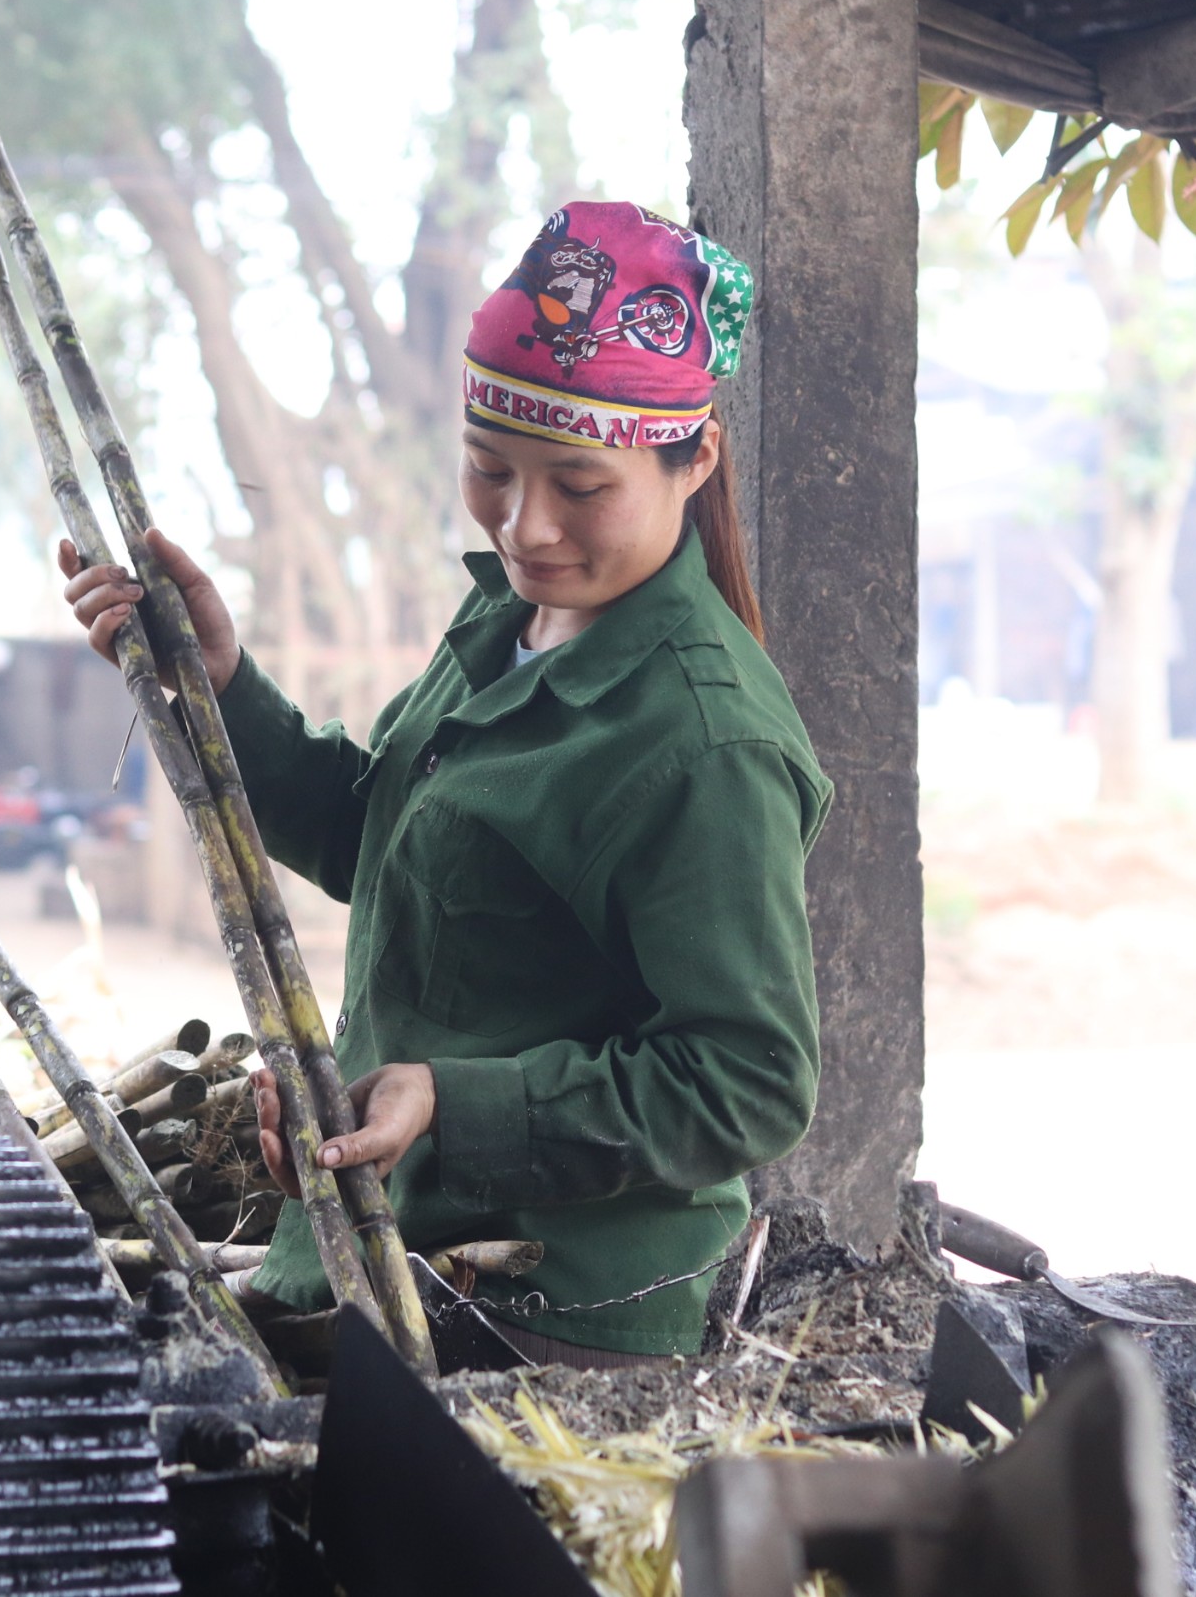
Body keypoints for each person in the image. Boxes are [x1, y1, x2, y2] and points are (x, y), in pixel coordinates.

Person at [60, 201, 830, 1366]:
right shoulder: (514, 615)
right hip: (383, 1254)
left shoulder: (704, 741)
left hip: (544, 1319)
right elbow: (387, 840)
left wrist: (450, 1107)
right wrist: (222, 685)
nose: (526, 526)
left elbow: (751, 1079)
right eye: (490, 470)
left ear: (695, 458)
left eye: (579, 485)